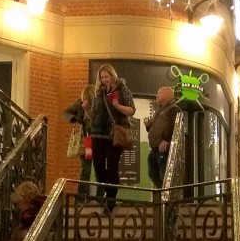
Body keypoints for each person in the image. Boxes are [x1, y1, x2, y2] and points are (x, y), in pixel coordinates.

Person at [83, 64, 135, 210]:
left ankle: (111, 200)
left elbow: (131, 110)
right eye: (101, 77)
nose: (104, 80)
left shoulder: (123, 89)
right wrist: (86, 108)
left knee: (112, 165)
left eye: (106, 76)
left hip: (115, 133)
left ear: (113, 76)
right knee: (98, 166)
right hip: (97, 133)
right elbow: (93, 116)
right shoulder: (99, 93)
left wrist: (118, 106)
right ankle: (109, 192)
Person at [62, 84, 95, 199]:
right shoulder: (79, 104)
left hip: (96, 140)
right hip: (87, 141)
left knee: (93, 169)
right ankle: (82, 196)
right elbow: (66, 113)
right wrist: (76, 119)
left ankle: (89, 196)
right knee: (87, 169)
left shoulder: (99, 104)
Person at [144, 86, 180, 189]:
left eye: (160, 93)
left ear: (168, 95)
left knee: (164, 174)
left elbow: (175, 126)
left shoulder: (174, 109)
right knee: (152, 172)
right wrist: (148, 126)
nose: (157, 96)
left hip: (164, 148)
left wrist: (167, 140)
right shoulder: (160, 110)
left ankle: (165, 198)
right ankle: (160, 193)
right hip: (155, 147)